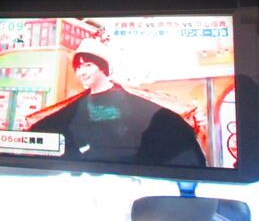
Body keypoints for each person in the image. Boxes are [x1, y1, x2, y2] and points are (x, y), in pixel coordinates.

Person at [27, 38, 206, 166]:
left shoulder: (130, 99)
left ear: (102, 66)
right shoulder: (78, 105)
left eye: (88, 65)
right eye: (79, 67)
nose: (82, 72)